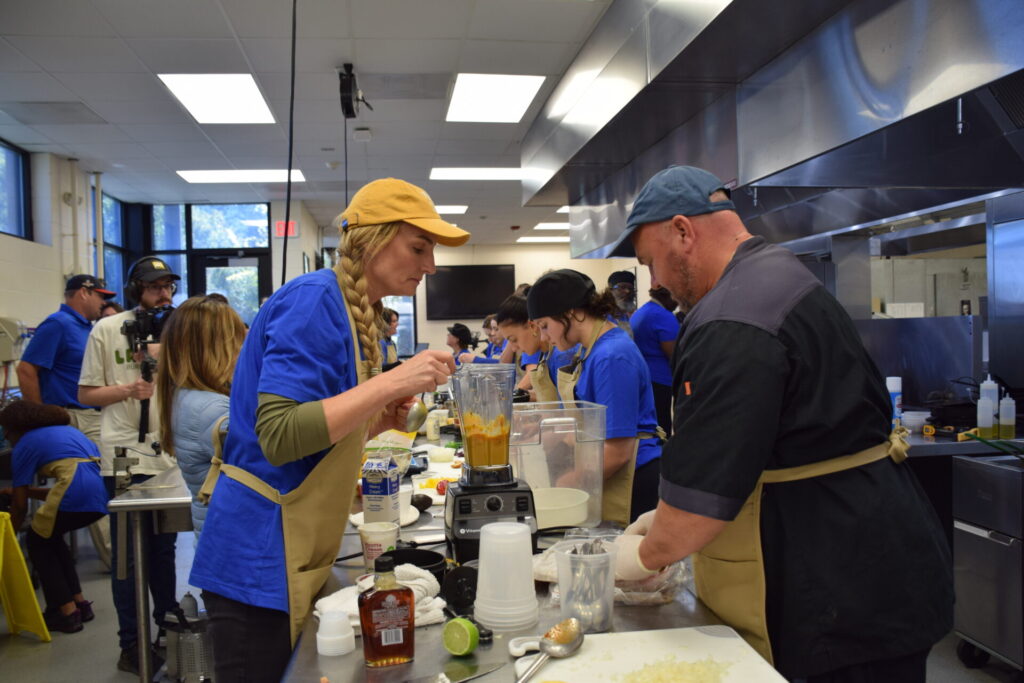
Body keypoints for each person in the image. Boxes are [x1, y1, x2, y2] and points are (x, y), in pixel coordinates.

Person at [609, 165, 953, 682]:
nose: (654, 282)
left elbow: (699, 508)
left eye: (651, 262)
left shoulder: (733, 319)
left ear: (683, 231)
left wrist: (641, 556)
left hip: (839, 591)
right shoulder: (772, 273)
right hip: (868, 561)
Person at [189, 177, 469, 682]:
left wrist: (368, 420)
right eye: (419, 247)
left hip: (293, 546)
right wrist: (391, 383)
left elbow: (312, 436)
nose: (430, 266)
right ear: (373, 240)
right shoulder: (315, 300)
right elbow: (277, 436)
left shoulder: (348, 309)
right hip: (260, 555)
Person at [78, 255, 181, 674]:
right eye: (156, 286)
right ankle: (131, 643)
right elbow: (85, 394)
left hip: (168, 453)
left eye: (169, 287)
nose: (164, 294)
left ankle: (166, 628)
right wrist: (128, 388)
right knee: (129, 555)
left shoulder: (175, 331)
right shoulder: (106, 330)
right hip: (122, 454)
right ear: (136, 288)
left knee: (165, 549)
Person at [526, 270, 661, 525]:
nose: (545, 338)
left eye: (545, 326)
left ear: (570, 313)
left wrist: (569, 484)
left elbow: (618, 451)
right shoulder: (592, 350)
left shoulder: (611, 356)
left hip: (634, 478)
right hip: (608, 470)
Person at [0, 401, 107, 634]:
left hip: (73, 492)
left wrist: (9, 540)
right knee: (51, 536)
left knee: (36, 541)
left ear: (16, 427)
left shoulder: (25, 444)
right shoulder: (68, 432)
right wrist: (25, 492)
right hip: (99, 495)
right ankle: (79, 603)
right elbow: (69, 484)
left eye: (5, 430)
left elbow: (19, 506)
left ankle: (65, 612)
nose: (6, 437)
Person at [155, 296, 246, 541]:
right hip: (234, 546)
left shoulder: (188, 397)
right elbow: (272, 464)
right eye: (240, 338)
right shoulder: (212, 409)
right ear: (221, 347)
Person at [16, 274, 116, 444]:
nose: (104, 302)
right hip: (74, 417)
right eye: (100, 296)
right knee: (97, 467)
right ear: (84, 292)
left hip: (93, 415)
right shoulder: (59, 324)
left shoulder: (87, 328)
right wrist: (42, 417)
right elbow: (26, 370)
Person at [494, 292, 575, 402]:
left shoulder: (561, 355)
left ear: (532, 326)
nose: (513, 348)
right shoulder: (546, 355)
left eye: (514, 340)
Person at [629, 286, 679, 435]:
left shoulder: (641, 312)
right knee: (663, 427)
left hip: (643, 377)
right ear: (668, 295)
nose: (677, 303)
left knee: (650, 426)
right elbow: (674, 354)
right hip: (660, 381)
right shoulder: (663, 316)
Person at [607, 270, 636, 336]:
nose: (627, 291)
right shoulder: (601, 316)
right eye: (622, 287)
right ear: (610, 291)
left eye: (631, 288)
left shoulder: (625, 316)